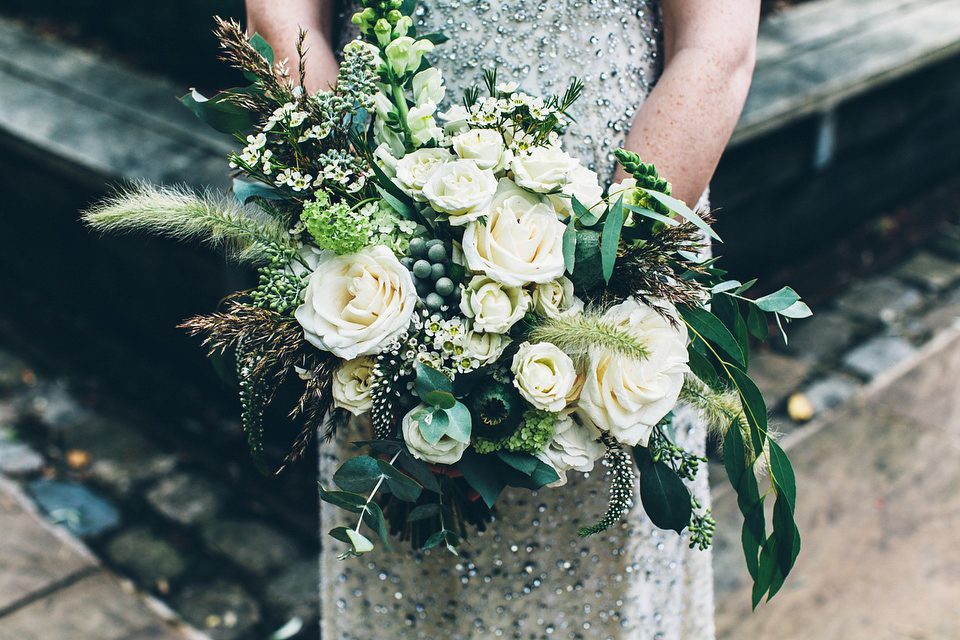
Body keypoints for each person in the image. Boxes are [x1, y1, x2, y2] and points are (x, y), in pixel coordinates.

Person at [246, 0, 760, 637]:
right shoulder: (372, 277)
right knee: (400, 532)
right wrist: (361, 232)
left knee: (606, 571)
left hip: (629, 232)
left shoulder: (613, 275)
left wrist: (605, 277)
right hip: (379, 250)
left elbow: (716, 47)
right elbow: (281, 24)